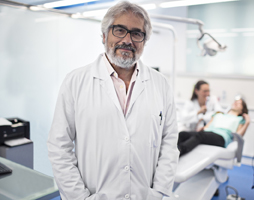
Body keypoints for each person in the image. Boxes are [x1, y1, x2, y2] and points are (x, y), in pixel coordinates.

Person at [47, 2, 179, 200]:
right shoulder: (75, 81)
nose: (127, 40)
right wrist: (79, 197)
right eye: (119, 30)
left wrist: (158, 193)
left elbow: (169, 142)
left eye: (136, 34)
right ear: (104, 36)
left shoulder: (160, 84)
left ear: (144, 41)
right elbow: (59, 146)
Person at [178, 98, 250, 156]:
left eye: (239, 103)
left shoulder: (240, 119)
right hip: (208, 133)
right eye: (235, 101)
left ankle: (179, 151)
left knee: (200, 136)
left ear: (242, 110)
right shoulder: (218, 114)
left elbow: (238, 135)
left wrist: (247, 123)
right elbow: (207, 127)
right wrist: (202, 128)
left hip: (221, 137)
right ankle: (171, 151)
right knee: (183, 134)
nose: (236, 103)